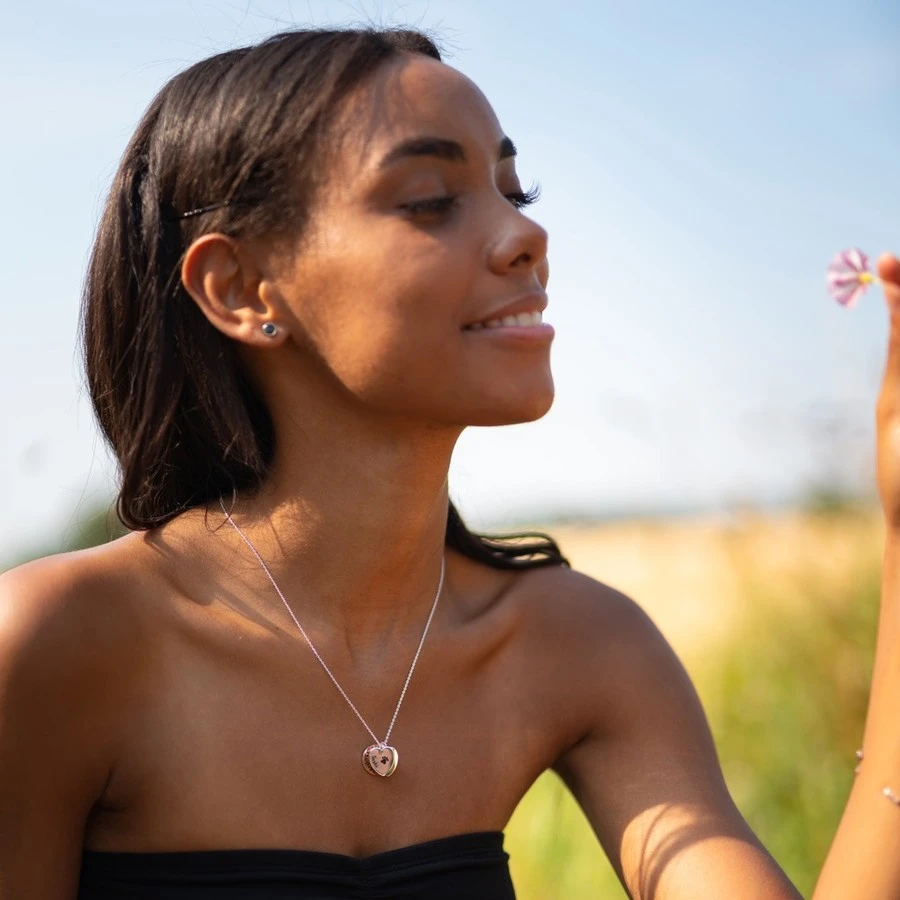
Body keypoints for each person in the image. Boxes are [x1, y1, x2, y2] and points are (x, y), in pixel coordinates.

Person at [0, 25, 898, 900]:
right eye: (431, 198)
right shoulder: (59, 645)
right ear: (239, 288)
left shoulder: (572, 644)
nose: (523, 237)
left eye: (518, 191)